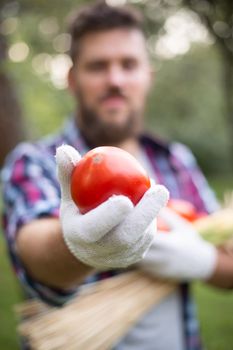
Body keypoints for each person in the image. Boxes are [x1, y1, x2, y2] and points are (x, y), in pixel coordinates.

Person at [1, 2, 233, 350]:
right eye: (97, 66)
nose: (115, 79)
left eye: (128, 64)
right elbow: (34, 252)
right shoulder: (35, 162)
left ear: (148, 76)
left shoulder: (176, 160)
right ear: (71, 78)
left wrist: (202, 262)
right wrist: (77, 246)